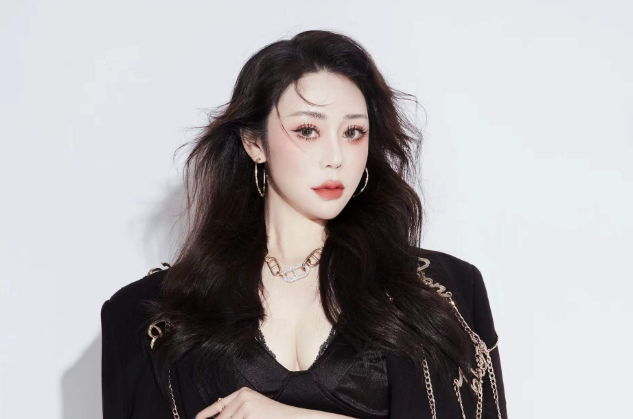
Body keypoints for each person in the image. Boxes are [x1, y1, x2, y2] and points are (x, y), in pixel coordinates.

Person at [101, 30, 508, 419]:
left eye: (353, 132)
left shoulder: (446, 292)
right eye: (308, 130)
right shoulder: (146, 314)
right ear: (254, 143)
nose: (336, 157)